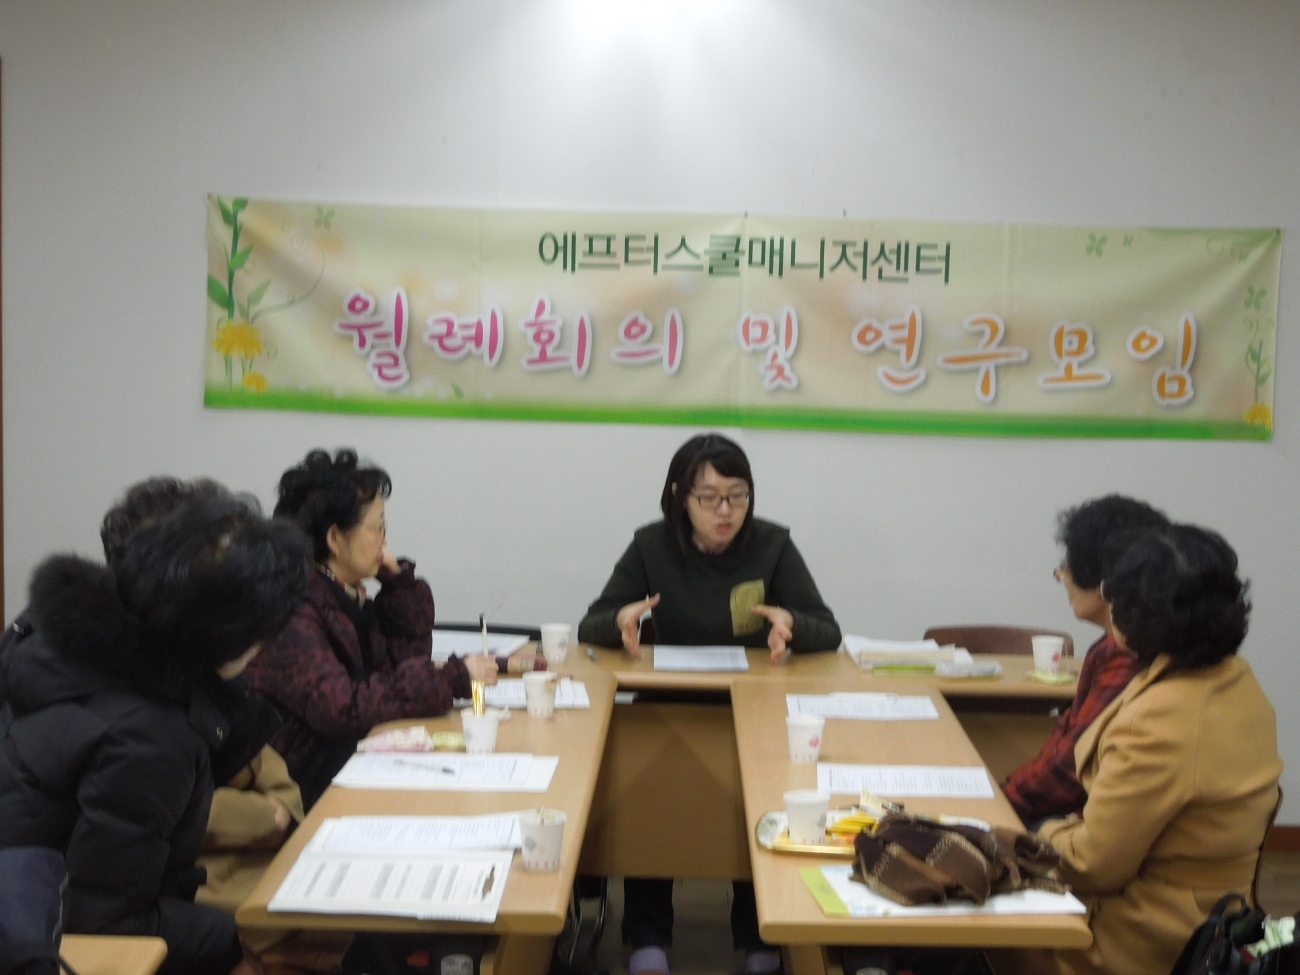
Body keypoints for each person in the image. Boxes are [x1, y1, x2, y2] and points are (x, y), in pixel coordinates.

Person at [0, 496, 312, 975]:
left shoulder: (67, 644)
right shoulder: (154, 734)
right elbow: (106, 919)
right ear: (231, 633)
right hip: (46, 938)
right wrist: (227, 944)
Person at [578, 433, 842, 975]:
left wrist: (792, 625)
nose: (726, 511)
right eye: (710, 498)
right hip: (667, 705)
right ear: (680, 497)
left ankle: (760, 937)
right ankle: (647, 936)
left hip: (752, 708)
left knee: (757, 808)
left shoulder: (772, 545)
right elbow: (593, 624)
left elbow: (828, 631)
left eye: (738, 496)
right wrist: (619, 620)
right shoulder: (652, 545)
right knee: (648, 800)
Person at [1002, 524, 1282, 975]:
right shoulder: (1238, 682)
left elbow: (1094, 865)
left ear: (1139, 615)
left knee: (966, 933)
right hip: (1217, 921)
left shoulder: (1160, 719)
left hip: (1145, 942)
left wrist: (1039, 831)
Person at [243, 448, 498, 808]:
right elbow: (342, 708)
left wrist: (398, 586)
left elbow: (400, 668)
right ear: (335, 539)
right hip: (305, 791)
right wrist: (453, 676)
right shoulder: (293, 612)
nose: (384, 539)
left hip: (352, 766)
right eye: (377, 527)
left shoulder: (344, 596)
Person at [1002, 495, 1168, 826]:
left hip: (1083, 826)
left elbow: (1068, 769)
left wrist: (999, 803)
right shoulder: (1114, 645)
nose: (1063, 577)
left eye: (1069, 566)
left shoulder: (1127, 655)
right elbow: (1065, 740)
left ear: (1105, 579)